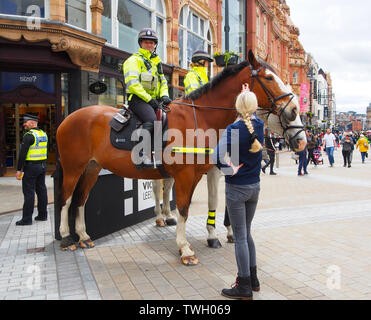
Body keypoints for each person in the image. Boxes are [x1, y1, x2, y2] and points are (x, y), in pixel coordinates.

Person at [213, 84, 264, 300]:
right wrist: (246, 94)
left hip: (237, 189)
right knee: (247, 233)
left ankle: (243, 286)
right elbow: (250, 121)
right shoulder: (259, 125)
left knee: (240, 237)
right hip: (254, 187)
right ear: (254, 107)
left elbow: (216, 157)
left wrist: (228, 169)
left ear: (237, 107)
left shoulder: (233, 130)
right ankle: (253, 280)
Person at [123, 28, 171, 169]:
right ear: (141, 43)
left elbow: (163, 82)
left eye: (152, 42)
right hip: (137, 99)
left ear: (155, 44)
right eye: (146, 42)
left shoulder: (157, 63)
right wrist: (149, 99)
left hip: (154, 101)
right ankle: (140, 156)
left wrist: (165, 95)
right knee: (151, 120)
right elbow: (132, 84)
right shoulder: (133, 60)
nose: (149, 45)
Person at [15, 114, 48, 225]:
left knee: (29, 193)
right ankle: (43, 215)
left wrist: (19, 169)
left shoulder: (29, 135)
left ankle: (27, 219)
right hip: (42, 166)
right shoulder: (43, 134)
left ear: (33, 123)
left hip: (31, 168)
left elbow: (22, 154)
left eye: (26, 122)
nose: (24, 124)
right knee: (42, 191)